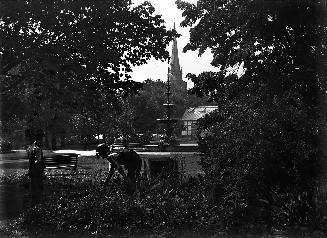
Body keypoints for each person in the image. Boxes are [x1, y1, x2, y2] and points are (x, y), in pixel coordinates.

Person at [27, 140, 45, 205]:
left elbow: (34, 160)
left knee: (34, 183)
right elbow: (39, 160)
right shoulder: (37, 149)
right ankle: (37, 193)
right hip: (38, 168)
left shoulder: (32, 149)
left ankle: (35, 194)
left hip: (35, 169)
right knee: (37, 183)